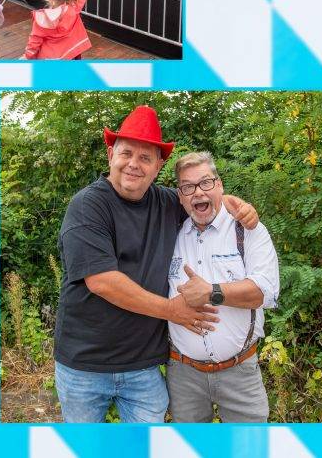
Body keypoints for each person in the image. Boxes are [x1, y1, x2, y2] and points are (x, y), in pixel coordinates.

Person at [53, 105, 260, 423]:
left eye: (145, 157)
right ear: (111, 154)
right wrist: (171, 310)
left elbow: (201, 199)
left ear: (158, 165)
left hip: (143, 369)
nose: (134, 164)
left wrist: (237, 205)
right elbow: (103, 281)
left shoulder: (166, 203)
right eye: (126, 153)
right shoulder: (87, 206)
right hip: (84, 367)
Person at [166, 152, 279, 422]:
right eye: (187, 187)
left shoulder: (247, 230)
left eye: (206, 183)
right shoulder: (170, 232)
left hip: (239, 373)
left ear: (220, 185)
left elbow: (265, 291)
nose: (197, 193)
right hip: (184, 376)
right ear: (179, 196)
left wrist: (212, 291)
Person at [22, 0, 91, 60]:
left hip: (53, 58)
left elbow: (35, 41)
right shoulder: (74, 8)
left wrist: (27, 56)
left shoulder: (43, 19)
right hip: (72, 51)